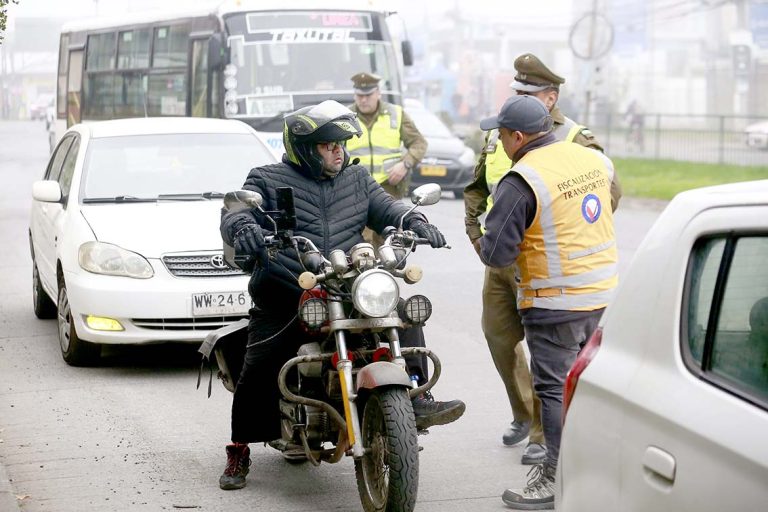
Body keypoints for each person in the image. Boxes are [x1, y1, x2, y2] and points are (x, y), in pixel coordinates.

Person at [217, 100, 465, 490]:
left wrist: (413, 219)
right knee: (261, 362)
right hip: (288, 287)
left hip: (347, 281)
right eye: (328, 145)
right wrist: (242, 227)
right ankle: (239, 448)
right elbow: (236, 210)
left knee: (401, 313)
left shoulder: (357, 179)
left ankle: (414, 398)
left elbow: (387, 207)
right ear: (304, 148)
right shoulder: (266, 178)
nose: (338, 151)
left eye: (341, 144)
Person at [463, 53, 622, 465]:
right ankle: (528, 418)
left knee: (553, 377)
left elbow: (607, 199)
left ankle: (548, 455)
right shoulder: (503, 140)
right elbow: (478, 188)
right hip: (515, 265)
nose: (522, 95)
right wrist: (475, 233)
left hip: (550, 274)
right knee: (500, 339)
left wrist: (559, 236)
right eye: (518, 91)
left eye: (530, 92)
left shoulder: (577, 141)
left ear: (550, 98)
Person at [346, 72, 428, 200]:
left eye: (368, 95)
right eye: (359, 95)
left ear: (378, 93)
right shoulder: (345, 116)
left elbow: (419, 143)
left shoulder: (396, 114)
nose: (363, 100)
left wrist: (405, 164)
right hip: (353, 191)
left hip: (388, 189)